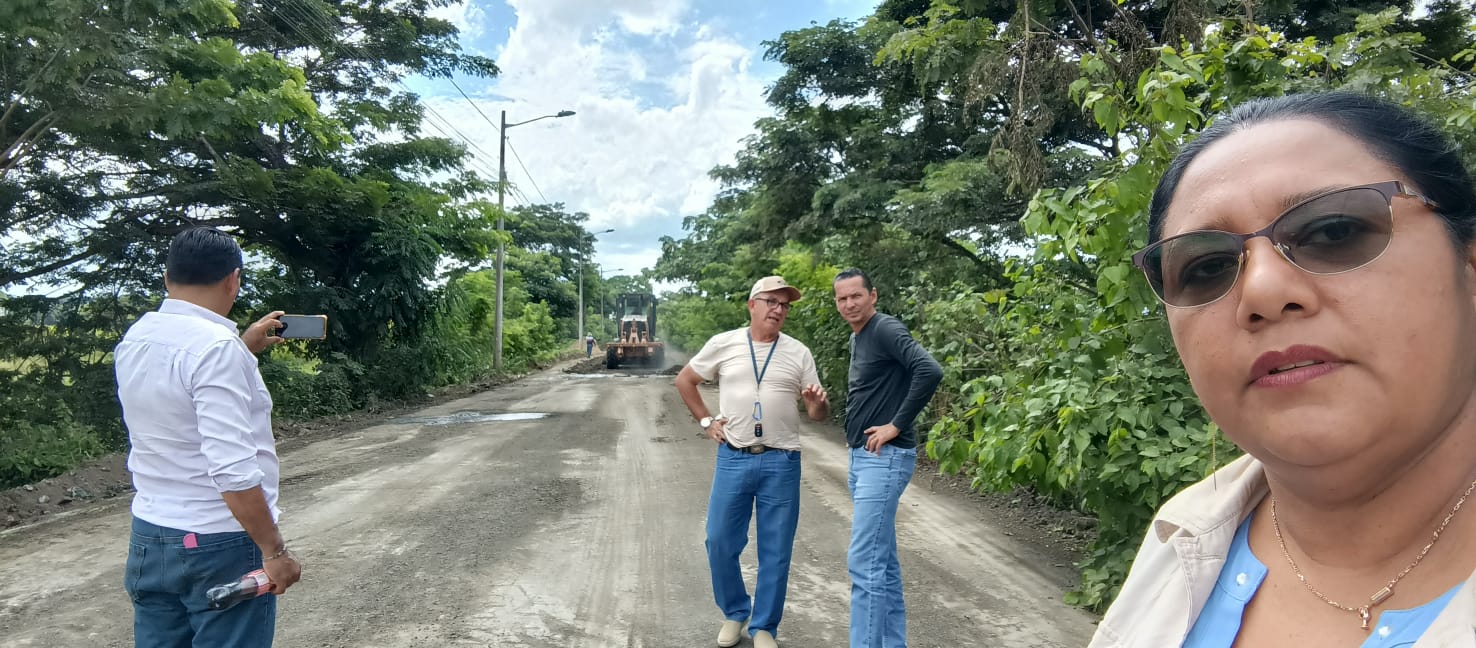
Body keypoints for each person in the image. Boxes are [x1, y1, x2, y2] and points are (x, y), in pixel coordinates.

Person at [1093, 91, 1476, 647]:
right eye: (1206, 267)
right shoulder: (1185, 532)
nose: (1263, 291)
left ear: (1468, 266)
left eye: (1333, 231)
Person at [115, 227, 303, 647]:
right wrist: (274, 552)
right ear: (233, 280)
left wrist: (241, 349)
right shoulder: (217, 349)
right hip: (218, 544)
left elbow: (176, 400)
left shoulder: (137, 337)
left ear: (168, 277)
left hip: (150, 536)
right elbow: (232, 470)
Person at [675, 275, 830, 648]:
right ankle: (735, 612)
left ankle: (764, 628)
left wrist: (817, 404)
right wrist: (706, 421)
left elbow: (817, 414)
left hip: (782, 461)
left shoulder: (798, 352)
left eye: (784, 305)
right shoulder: (724, 343)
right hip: (734, 457)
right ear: (752, 305)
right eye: (771, 302)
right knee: (719, 540)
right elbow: (685, 380)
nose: (779, 309)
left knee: (776, 549)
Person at [831, 268, 942, 648]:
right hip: (863, 458)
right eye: (842, 298)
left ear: (873, 296)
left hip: (885, 457)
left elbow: (929, 369)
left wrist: (895, 425)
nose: (849, 304)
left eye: (856, 296)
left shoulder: (884, 329)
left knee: (864, 563)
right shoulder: (859, 337)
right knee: (883, 564)